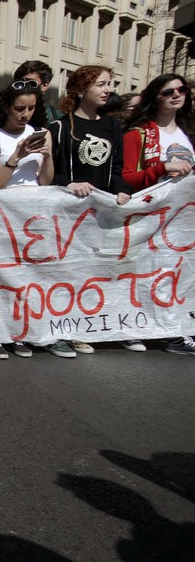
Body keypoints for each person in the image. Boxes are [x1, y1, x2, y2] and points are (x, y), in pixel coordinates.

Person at [48, 65, 133, 358]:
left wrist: (121, 190)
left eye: (110, 84)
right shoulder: (60, 127)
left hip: (102, 214)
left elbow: (117, 169)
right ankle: (65, 330)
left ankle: (89, 326)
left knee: (96, 273)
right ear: (80, 89)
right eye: (100, 84)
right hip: (70, 214)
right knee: (69, 273)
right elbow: (50, 176)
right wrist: (69, 184)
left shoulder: (111, 126)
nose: (107, 89)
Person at [0, 80, 54, 359]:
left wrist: (47, 156)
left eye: (31, 108)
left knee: (25, 278)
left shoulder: (42, 134)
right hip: (2, 216)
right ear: (6, 107)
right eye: (20, 108)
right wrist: (16, 157)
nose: (25, 114)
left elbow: (45, 180)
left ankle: (19, 332)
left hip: (33, 216)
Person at [122, 73, 195, 356]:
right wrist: (162, 168)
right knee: (150, 275)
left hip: (184, 221)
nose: (176, 95)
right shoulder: (138, 134)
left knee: (180, 276)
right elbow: (127, 178)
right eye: (168, 92)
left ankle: (177, 328)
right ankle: (145, 329)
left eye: (181, 90)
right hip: (151, 217)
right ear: (155, 97)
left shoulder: (188, 132)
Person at [14, 60, 63, 124]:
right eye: (19, 82)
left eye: (31, 83)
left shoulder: (57, 118)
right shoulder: (4, 111)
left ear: (45, 85)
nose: (24, 86)